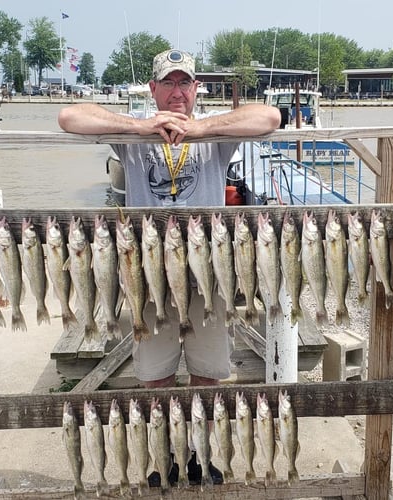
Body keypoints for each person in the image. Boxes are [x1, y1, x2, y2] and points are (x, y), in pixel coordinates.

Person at [58, 48, 280, 485]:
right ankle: (164, 457)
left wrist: (200, 128)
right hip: (149, 277)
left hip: (210, 276)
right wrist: (141, 126)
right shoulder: (133, 135)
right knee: (154, 377)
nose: (177, 92)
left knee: (209, 373)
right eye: (169, 83)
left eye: (185, 83)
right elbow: (70, 116)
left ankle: (198, 455)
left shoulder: (215, 134)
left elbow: (269, 117)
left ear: (197, 89)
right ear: (153, 88)